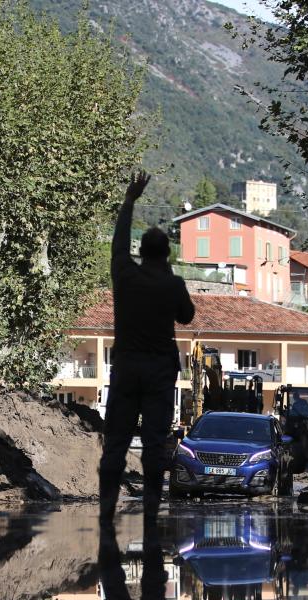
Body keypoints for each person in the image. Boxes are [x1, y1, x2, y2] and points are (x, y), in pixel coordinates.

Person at [99, 172, 196, 526]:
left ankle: (106, 512)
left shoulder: (125, 273)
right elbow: (187, 316)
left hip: (126, 366)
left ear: (141, 252)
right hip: (159, 369)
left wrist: (129, 202)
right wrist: (170, 275)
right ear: (167, 254)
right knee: (154, 443)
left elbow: (118, 245)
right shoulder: (173, 284)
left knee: (116, 441)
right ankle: (152, 514)